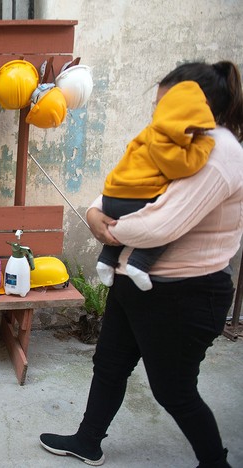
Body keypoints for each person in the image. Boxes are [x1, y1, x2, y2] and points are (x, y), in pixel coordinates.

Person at [39, 60, 243, 468]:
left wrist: (108, 232)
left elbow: (163, 224)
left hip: (185, 293)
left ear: (193, 105)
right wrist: (97, 212)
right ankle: (87, 441)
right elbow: (127, 182)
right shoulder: (171, 139)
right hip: (135, 280)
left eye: (164, 105)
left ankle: (214, 463)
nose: (157, 115)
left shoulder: (219, 152)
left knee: (174, 390)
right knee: (110, 364)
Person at [96, 80, 216, 291]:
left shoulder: (148, 133)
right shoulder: (167, 141)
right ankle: (139, 263)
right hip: (137, 199)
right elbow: (182, 167)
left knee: (118, 226)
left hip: (110, 197)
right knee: (167, 225)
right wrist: (203, 144)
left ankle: (106, 260)